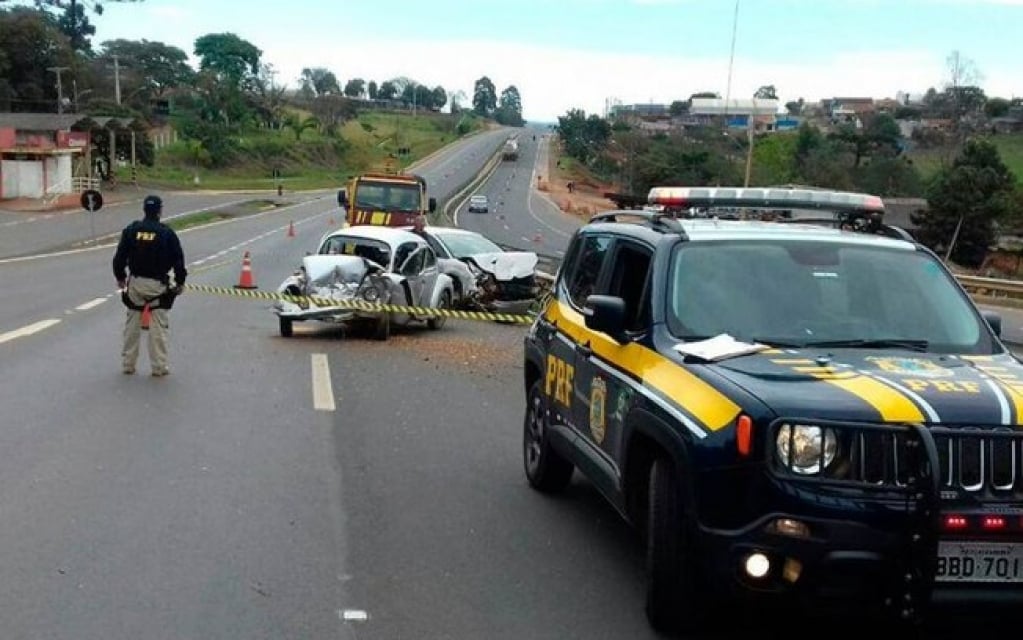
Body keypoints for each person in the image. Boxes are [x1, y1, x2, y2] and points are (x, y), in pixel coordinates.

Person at [112, 195, 187, 377]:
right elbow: (178, 260)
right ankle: (159, 366)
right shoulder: (166, 233)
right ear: (160, 211)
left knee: (132, 324)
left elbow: (119, 258)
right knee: (158, 327)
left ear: (144, 210)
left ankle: (128, 364)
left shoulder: (131, 230)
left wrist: (121, 277)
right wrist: (180, 282)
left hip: (136, 284)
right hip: (158, 286)